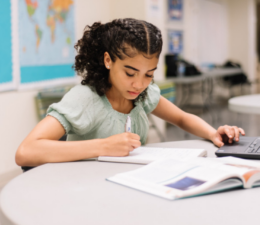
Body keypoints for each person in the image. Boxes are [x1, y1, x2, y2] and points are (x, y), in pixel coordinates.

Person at [15, 18, 245, 167]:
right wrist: (103, 146)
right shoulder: (85, 99)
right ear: (108, 60)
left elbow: (182, 117)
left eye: (149, 74)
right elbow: (26, 151)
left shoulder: (143, 95)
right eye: (130, 72)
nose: (139, 84)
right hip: (84, 191)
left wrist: (213, 133)